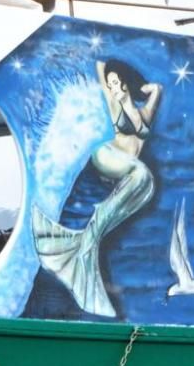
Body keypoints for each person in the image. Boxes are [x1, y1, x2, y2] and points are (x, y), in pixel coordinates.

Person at [31, 59, 162, 317]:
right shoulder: (114, 103)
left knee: (142, 182)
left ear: (125, 83)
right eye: (112, 84)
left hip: (125, 168)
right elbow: (102, 76)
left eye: (118, 82)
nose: (114, 87)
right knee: (142, 175)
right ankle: (84, 241)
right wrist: (106, 74)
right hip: (106, 156)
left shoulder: (137, 110)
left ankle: (82, 243)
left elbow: (145, 118)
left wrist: (153, 91)